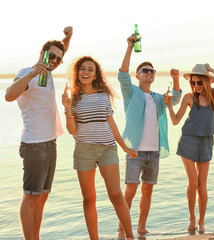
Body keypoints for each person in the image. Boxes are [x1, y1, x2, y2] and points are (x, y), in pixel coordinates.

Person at [4, 27, 72, 240]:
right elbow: (8, 95)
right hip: (34, 146)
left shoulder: (51, 69)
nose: (54, 61)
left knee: (42, 197)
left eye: (58, 60)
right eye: (50, 56)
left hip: (50, 145)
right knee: (30, 198)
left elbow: (60, 52)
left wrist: (67, 38)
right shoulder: (27, 73)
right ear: (42, 54)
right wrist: (34, 72)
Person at [61, 56, 136, 240]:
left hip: (107, 149)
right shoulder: (73, 97)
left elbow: (111, 123)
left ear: (95, 75)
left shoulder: (104, 95)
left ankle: (130, 236)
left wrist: (124, 147)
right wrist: (68, 108)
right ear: (77, 73)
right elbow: (72, 131)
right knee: (89, 199)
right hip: (84, 151)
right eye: (83, 69)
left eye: (90, 70)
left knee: (116, 194)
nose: (86, 72)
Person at [117, 33, 182, 236]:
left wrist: (176, 79)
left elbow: (176, 98)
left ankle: (141, 227)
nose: (149, 73)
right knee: (130, 190)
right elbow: (122, 74)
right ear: (138, 76)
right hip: (135, 151)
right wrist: (129, 48)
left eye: (152, 71)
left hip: (153, 152)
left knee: (147, 191)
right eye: (145, 71)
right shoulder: (131, 93)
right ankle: (122, 228)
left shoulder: (158, 98)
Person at [166, 63, 214, 233]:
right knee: (193, 183)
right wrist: (168, 105)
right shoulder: (189, 97)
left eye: (199, 82)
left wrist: (212, 70)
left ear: (206, 82)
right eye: (193, 83)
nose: (195, 86)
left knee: (202, 185)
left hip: (206, 142)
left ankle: (202, 222)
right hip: (188, 141)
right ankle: (192, 218)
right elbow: (175, 121)